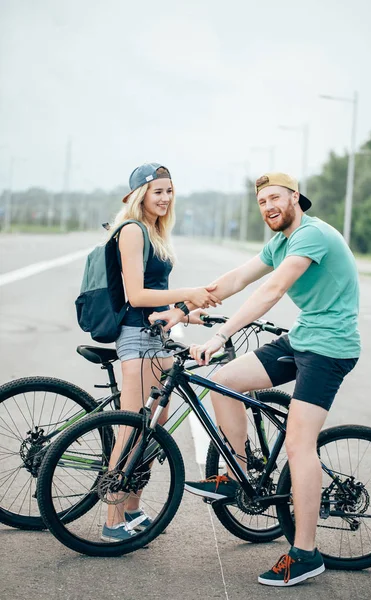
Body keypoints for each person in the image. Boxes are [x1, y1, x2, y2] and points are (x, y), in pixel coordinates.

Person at [151, 172, 360, 587]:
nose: (268, 207)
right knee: (224, 382)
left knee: (300, 445)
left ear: (295, 198)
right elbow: (234, 280)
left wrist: (220, 334)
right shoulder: (280, 241)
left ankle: (305, 553)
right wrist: (181, 307)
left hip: (331, 348)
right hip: (302, 339)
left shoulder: (311, 236)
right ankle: (236, 475)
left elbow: (272, 291)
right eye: (262, 201)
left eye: (275, 198)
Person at [102, 162, 221, 542]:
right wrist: (187, 292)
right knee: (132, 427)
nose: (166, 198)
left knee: (155, 422)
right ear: (140, 195)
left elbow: (156, 294)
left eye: (170, 191)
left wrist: (188, 312)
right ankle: (112, 519)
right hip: (136, 337)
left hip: (154, 335)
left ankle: (133, 507)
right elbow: (136, 295)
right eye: (158, 191)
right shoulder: (132, 231)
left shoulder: (153, 232)